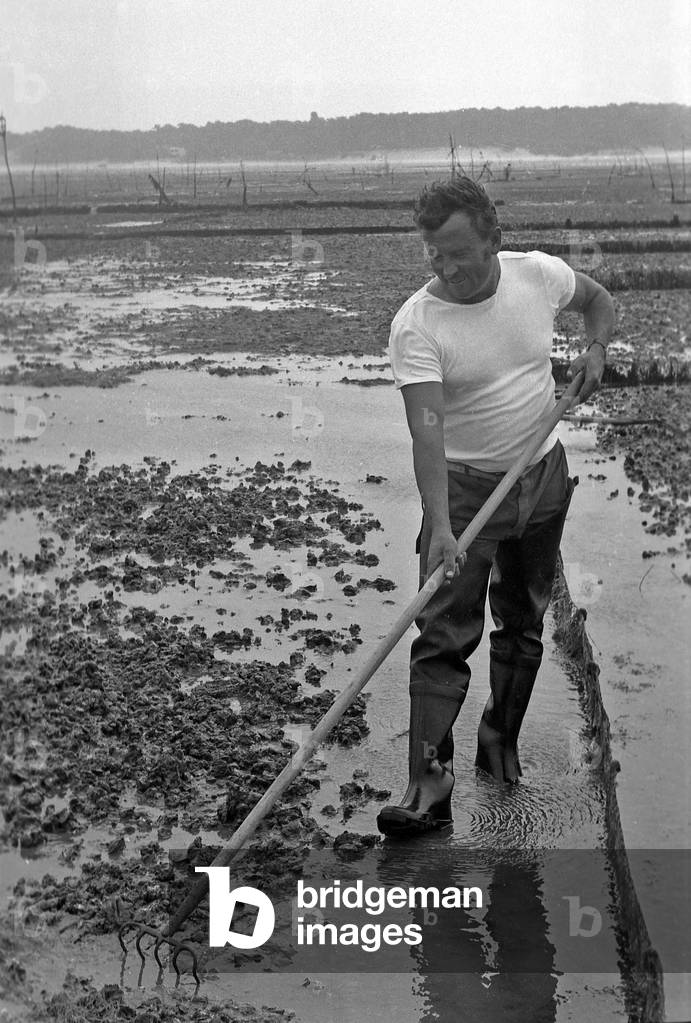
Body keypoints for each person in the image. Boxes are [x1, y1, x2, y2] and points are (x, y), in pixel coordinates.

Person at [377, 177, 614, 839]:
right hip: (461, 488)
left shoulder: (536, 277)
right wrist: (441, 525)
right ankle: (427, 784)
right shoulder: (417, 326)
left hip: (540, 478)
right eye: (433, 254)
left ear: (494, 241)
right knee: (442, 636)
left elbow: (598, 304)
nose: (444, 268)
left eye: (457, 252)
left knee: (522, 617)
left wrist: (594, 350)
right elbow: (426, 433)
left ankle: (497, 742)